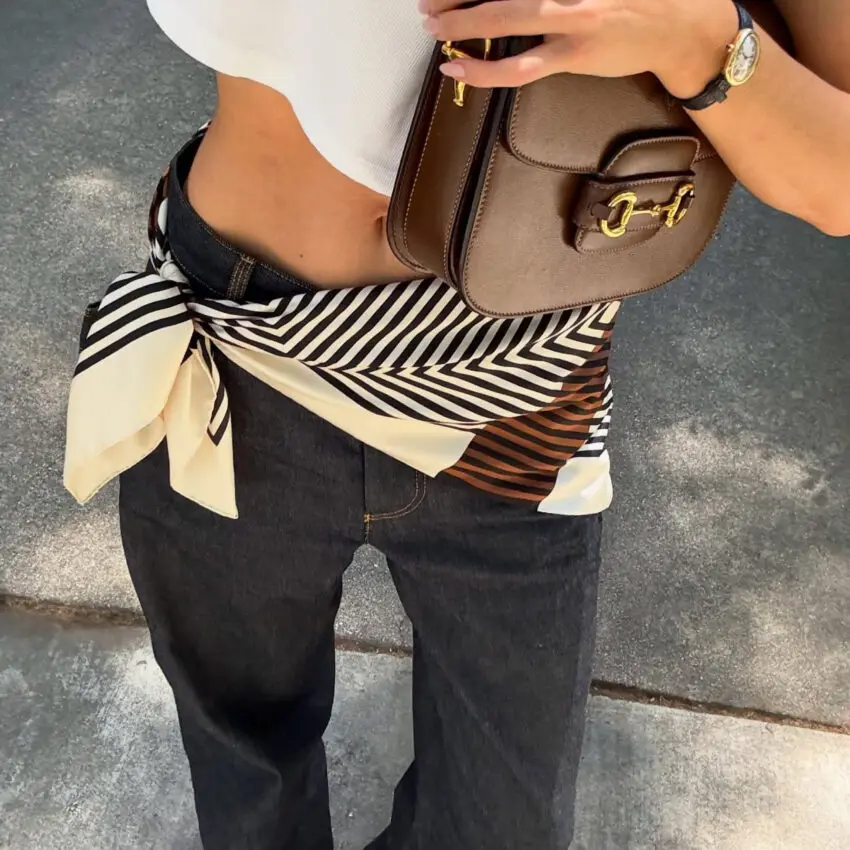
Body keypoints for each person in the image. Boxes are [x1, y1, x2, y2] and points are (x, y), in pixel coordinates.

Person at [63, 1, 849, 848]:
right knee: (244, 763)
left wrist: (697, 36)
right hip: (236, 350)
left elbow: (835, 180)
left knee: (503, 822)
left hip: (518, 391)